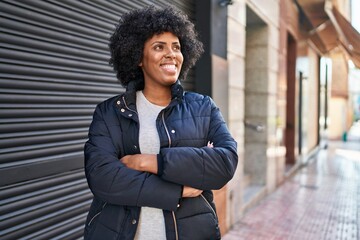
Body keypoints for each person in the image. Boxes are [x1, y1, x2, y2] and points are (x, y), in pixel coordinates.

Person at [84, 5, 238, 240]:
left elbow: (225, 163)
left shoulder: (203, 107)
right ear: (138, 58)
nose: (171, 54)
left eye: (176, 47)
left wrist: (149, 162)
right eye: (159, 47)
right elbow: (103, 177)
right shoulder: (109, 113)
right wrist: (178, 190)